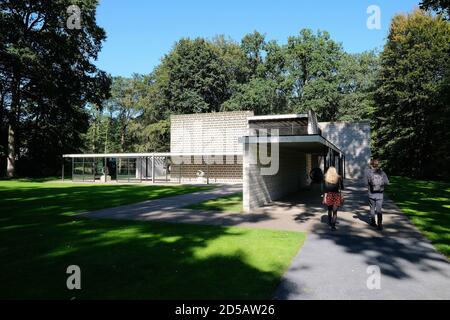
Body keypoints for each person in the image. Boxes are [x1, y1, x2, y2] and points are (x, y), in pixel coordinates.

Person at [366, 159, 389, 230]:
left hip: (371, 194)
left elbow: (365, 183)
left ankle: (373, 222)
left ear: (371, 164)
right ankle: (380, 224)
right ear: (378, 164)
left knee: (372, 209)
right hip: (380, 194)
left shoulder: (368, 172)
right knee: (379, 210)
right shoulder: (382, 172)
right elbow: (387, 182)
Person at [322, 166, 344, 231]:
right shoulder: (339, 178)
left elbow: (325, 190)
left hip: (329, 195)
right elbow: (342, 188)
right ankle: (333, 226)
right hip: (336, 196)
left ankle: (329, 223)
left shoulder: (326, 178)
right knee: (335, 212)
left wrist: (324, 198)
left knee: (329, 210)